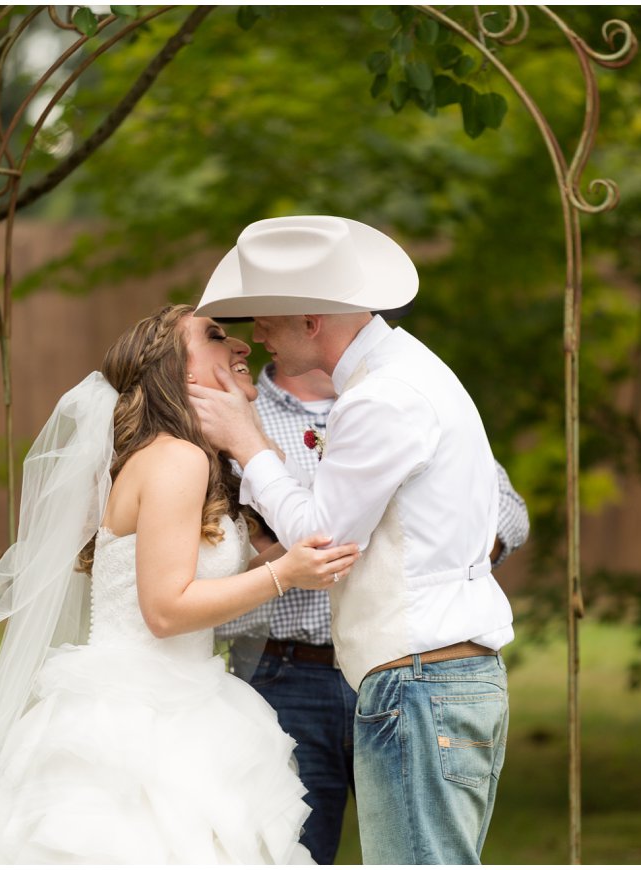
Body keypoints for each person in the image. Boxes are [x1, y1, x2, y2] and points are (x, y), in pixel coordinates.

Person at [0, 303, 361, 864]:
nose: (242, 345)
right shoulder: (176, 460)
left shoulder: (190, 460)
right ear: (179, 373)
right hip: (136, 722)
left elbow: (263, 552)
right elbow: (166, 610)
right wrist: (285, 574)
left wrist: (254, 453)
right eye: (215, 336)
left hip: (180, 698)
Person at [190, 215, 514, 864]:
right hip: (433, 677)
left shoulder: (383, 398)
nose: (257, 337)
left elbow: (321, 542)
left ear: (312, 322)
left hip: (420, 682)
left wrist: (248, 443)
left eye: (267, 321)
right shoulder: (404, 374)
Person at [219, 361, 530, 863]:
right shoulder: (234, 417)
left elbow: (509, 509)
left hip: (404, 663)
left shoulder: (399, 396)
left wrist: (445, 557)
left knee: (419, 851)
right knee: (289, 852)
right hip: (286, 675)